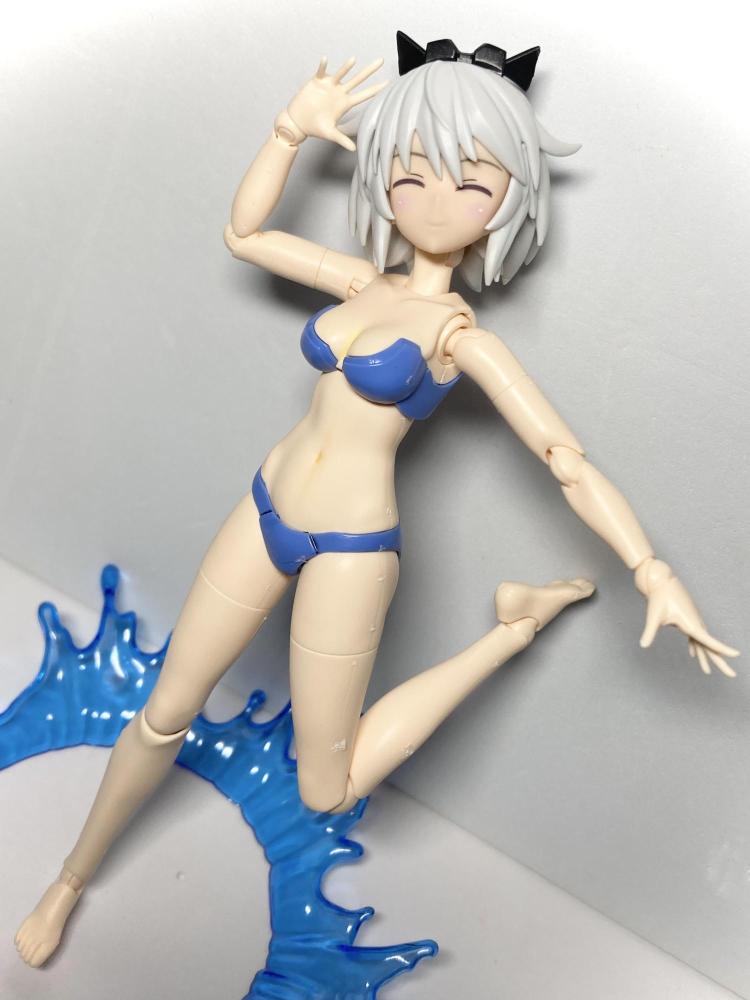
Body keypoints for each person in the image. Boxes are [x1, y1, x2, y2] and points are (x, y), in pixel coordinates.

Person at [15, 32, 738, 970]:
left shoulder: (460, 337)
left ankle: (512, 628)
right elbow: (245, 235)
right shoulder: (363, 281)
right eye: (411, 171)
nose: (434, 200)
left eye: (471, 183)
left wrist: (651, 569)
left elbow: (564, 458)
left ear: (510, 200)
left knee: (328, 788)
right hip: (265, 507)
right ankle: (71, 877)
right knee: (164, 712)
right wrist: (289, 130)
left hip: (351, 549)